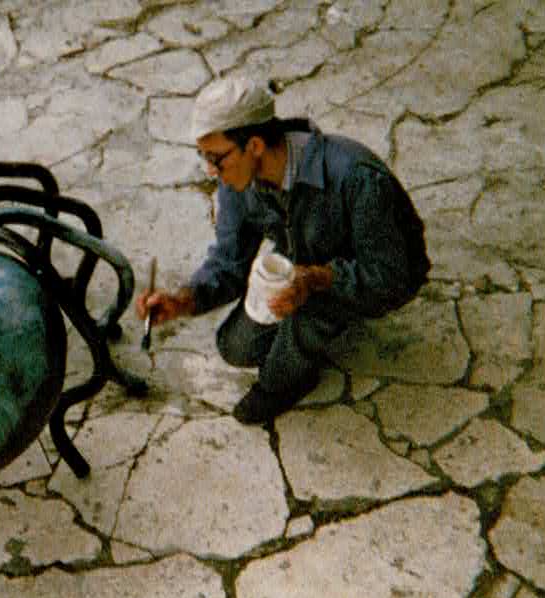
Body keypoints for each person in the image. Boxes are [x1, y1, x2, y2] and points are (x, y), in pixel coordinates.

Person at [136, 76, 430, 424]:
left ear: (255, 145)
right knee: (236, 346)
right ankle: (312, 327)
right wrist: (182, 300)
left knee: (310, 315)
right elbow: (229, 261)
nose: (211, 171)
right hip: (306, 261)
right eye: (204, 158)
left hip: (377, 271)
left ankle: (288, 380)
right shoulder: (237, 181)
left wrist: (319, 279)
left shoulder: (355, 177)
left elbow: (392, 275)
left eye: (217, 159)